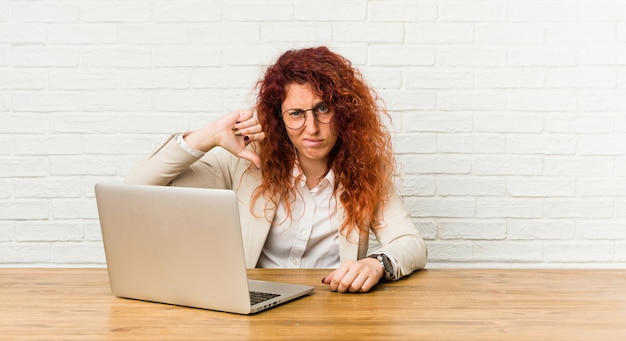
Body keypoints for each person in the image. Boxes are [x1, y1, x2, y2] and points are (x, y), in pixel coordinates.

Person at [125, 46, 427, 293]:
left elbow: (411, 244)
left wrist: (375, 264)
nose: (311, 128)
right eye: (296, 113)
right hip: (252, 306)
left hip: (332, 309)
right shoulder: (244, 162)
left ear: (344, 111)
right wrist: (210, 135)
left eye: (323, 109)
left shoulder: (366, 168)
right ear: (278, 118)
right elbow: (138, 187)